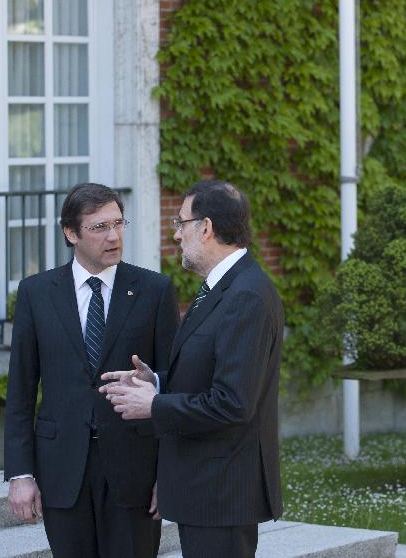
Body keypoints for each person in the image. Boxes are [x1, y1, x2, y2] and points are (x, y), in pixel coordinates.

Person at [100, 180, 284, 558]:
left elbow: (233, 402)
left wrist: (154, 405)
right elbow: (209, 375)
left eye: (181, 223)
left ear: (206, 227)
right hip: (206, 488)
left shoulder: (245, 295)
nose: (177, 234)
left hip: (222, 492)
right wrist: (155, 381)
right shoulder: (222, 287)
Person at [4, 182, 179, 558]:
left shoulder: (155, 290)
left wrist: (169, 473)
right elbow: (20, 390)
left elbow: (173, 384)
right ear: (71, 233)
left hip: (135, 470)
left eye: (118, 223)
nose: (114, 236)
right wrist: (20, 474)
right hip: (62, 469)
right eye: (100, 227)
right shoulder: (36, 293)